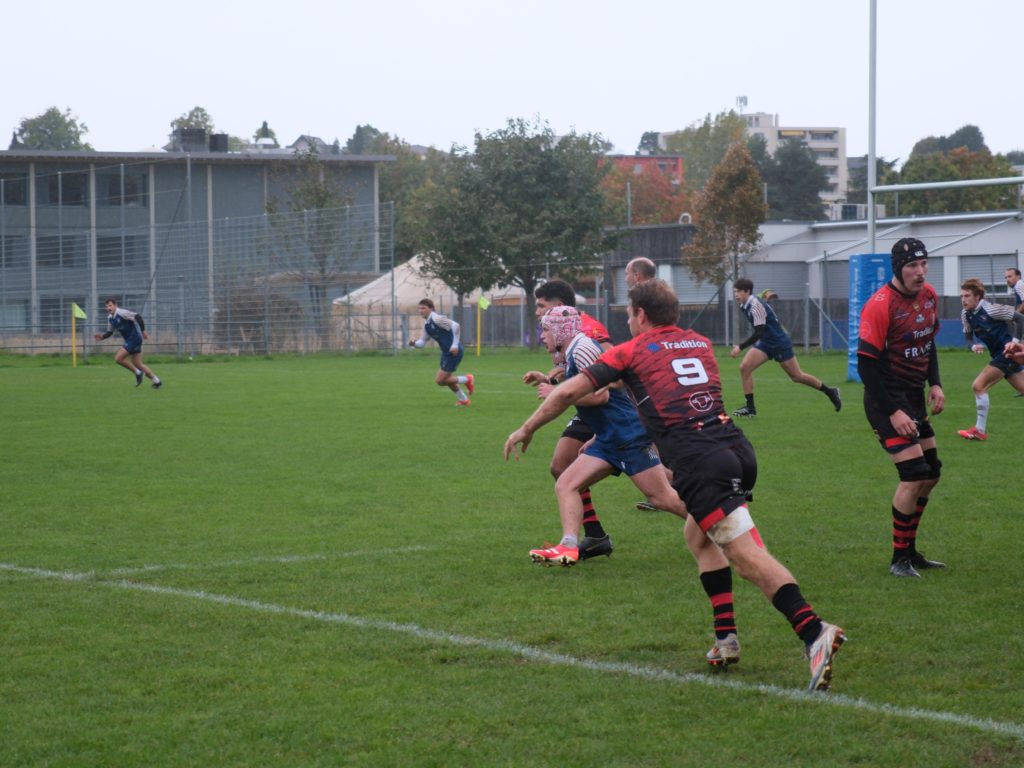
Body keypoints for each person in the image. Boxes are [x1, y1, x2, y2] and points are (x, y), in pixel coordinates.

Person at [505, 279, 846, 692]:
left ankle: (814, 631)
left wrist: (526, 428)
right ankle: (726, 639)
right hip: (736, 447)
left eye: (629, 314)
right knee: (698, 538)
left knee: (745, 557)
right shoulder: (698, 343)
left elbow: (568, 395)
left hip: (701, 461)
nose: (627, 322)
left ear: (641, 314)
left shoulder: (629, 351)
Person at [529, 306, 742, 667]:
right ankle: (568, 546)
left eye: (546, 330)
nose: (542, 337)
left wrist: (556, 391)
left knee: (663, 498)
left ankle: (727, 529)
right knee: (565, 481)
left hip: (627, 436)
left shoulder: (582, 347)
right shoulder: (573, 350)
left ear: (561, 330)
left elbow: (600, 396)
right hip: (609, 438)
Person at [857, 238, 945, 578]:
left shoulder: (929, 296)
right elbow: (866, 367)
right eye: (912, 266)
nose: (920, 272)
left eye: (923, 264)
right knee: (914, 474)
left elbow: (927, 343)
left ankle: (911, 552)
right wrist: (894, 411)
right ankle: (899, 558)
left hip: (913, 397)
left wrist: (935, 383)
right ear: (898, 268)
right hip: (885, 401)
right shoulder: (880, 305)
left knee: (932, 472)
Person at [521, 279, 614, 560]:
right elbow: (573, 372)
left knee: (661, 485)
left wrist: (559, 391)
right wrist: (551, 379)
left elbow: (608, 366)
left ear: (558, 306)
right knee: (561, 467)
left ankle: (712, 506)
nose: (538, 312)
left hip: (612, 411)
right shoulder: (563, 330)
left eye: (541, 306)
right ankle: (594, 535)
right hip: (589, 407)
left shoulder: (588, 330)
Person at [729, 277, 842, 417]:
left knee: (797, 376)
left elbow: (758, 332)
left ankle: (831, 392)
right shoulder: (745, 304)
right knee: (745, 368)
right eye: (735, 292)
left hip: (779, 343)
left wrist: (740, 347)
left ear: (747, 291)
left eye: (739, 291)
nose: (736, 295)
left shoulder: (756, 306)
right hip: (766, 342)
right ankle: (750, 408)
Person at [956, 278, 1024, 441]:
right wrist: (973, 346)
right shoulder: (966, 314)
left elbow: (1020, 319)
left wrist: (1014, 343)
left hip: (1007, 354)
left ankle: (979, 430)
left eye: (967, 296)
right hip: (999, 356)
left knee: (978, 386)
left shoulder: (992, 310)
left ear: (978, 297)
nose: (963, 300)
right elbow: (968, 337)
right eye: (962, 296)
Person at [409, 298, 474, 406]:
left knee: (440, 380)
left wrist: (454, 345)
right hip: (446, 353)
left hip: (454, 352)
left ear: (431, 309)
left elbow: (456, 326)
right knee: (446, 379)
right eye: (419, 308)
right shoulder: (427, 325)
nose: (420, 310)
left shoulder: (436, 319)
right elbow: (422, 342)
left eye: (423, 308)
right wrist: (414, 344)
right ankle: (464, 400)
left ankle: (467, 379)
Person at [93, 298, 162, 388]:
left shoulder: (122, 313)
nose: (108, 308)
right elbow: (110, 332)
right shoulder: (110, 318)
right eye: (106, 306)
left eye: (110, 305)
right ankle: (157, 381)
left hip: (134, 339)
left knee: (118, 358)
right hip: (131, 340)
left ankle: (138, 373)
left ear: (115, 305)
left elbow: (138, 317)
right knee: (138, 364)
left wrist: (143, 331)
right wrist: (102, 337)